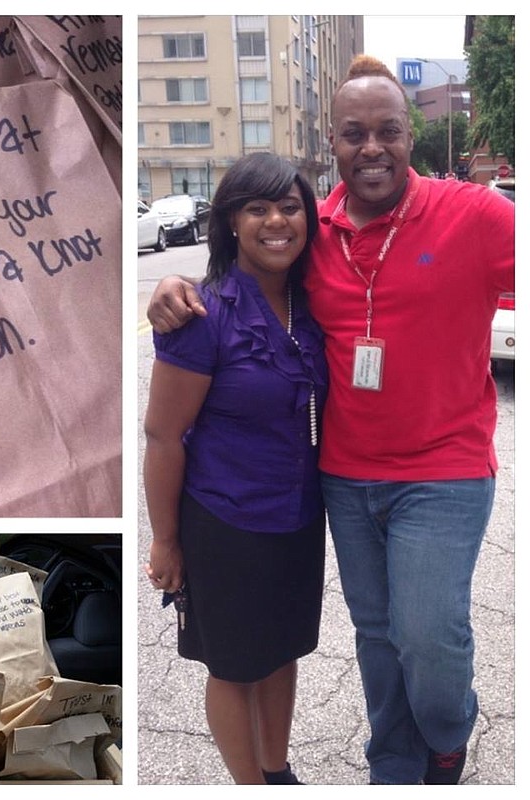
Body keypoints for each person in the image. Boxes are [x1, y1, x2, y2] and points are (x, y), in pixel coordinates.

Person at [146, 55, 515, 786]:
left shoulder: (472, 214)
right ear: (333, 142)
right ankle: (393, 761)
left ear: (413, 136)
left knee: (425, 639)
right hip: (332, 481)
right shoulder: (319, 238)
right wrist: (171, 286)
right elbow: (238, 289)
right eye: (353, 133)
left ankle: (444, 730)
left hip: (437, 472)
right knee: (375, 638)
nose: (371, 146)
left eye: (388, 131)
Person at [143, 152, 329, 785]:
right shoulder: (203, 313)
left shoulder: (311, 306)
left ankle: (277, 773)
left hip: (300, 516)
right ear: (229, 222)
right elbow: (163, 437)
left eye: (290, 206)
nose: (276, 221)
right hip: (226, 523)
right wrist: (166, 540)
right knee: (235, 667)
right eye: (257, 208)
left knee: (281, 654)